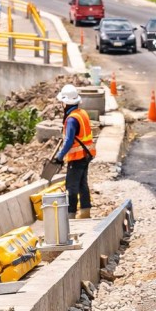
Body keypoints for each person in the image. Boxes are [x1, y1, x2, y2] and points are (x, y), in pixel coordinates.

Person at [53, 84, 96, 220]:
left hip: (77, 157)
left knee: (71, 186)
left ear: (65, 102)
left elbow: (69, 141)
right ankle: (85, 212)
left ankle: (70, 216)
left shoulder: (71, 119)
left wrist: (60, 157)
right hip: (87, 155)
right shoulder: (81, 113)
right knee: (82, 184)